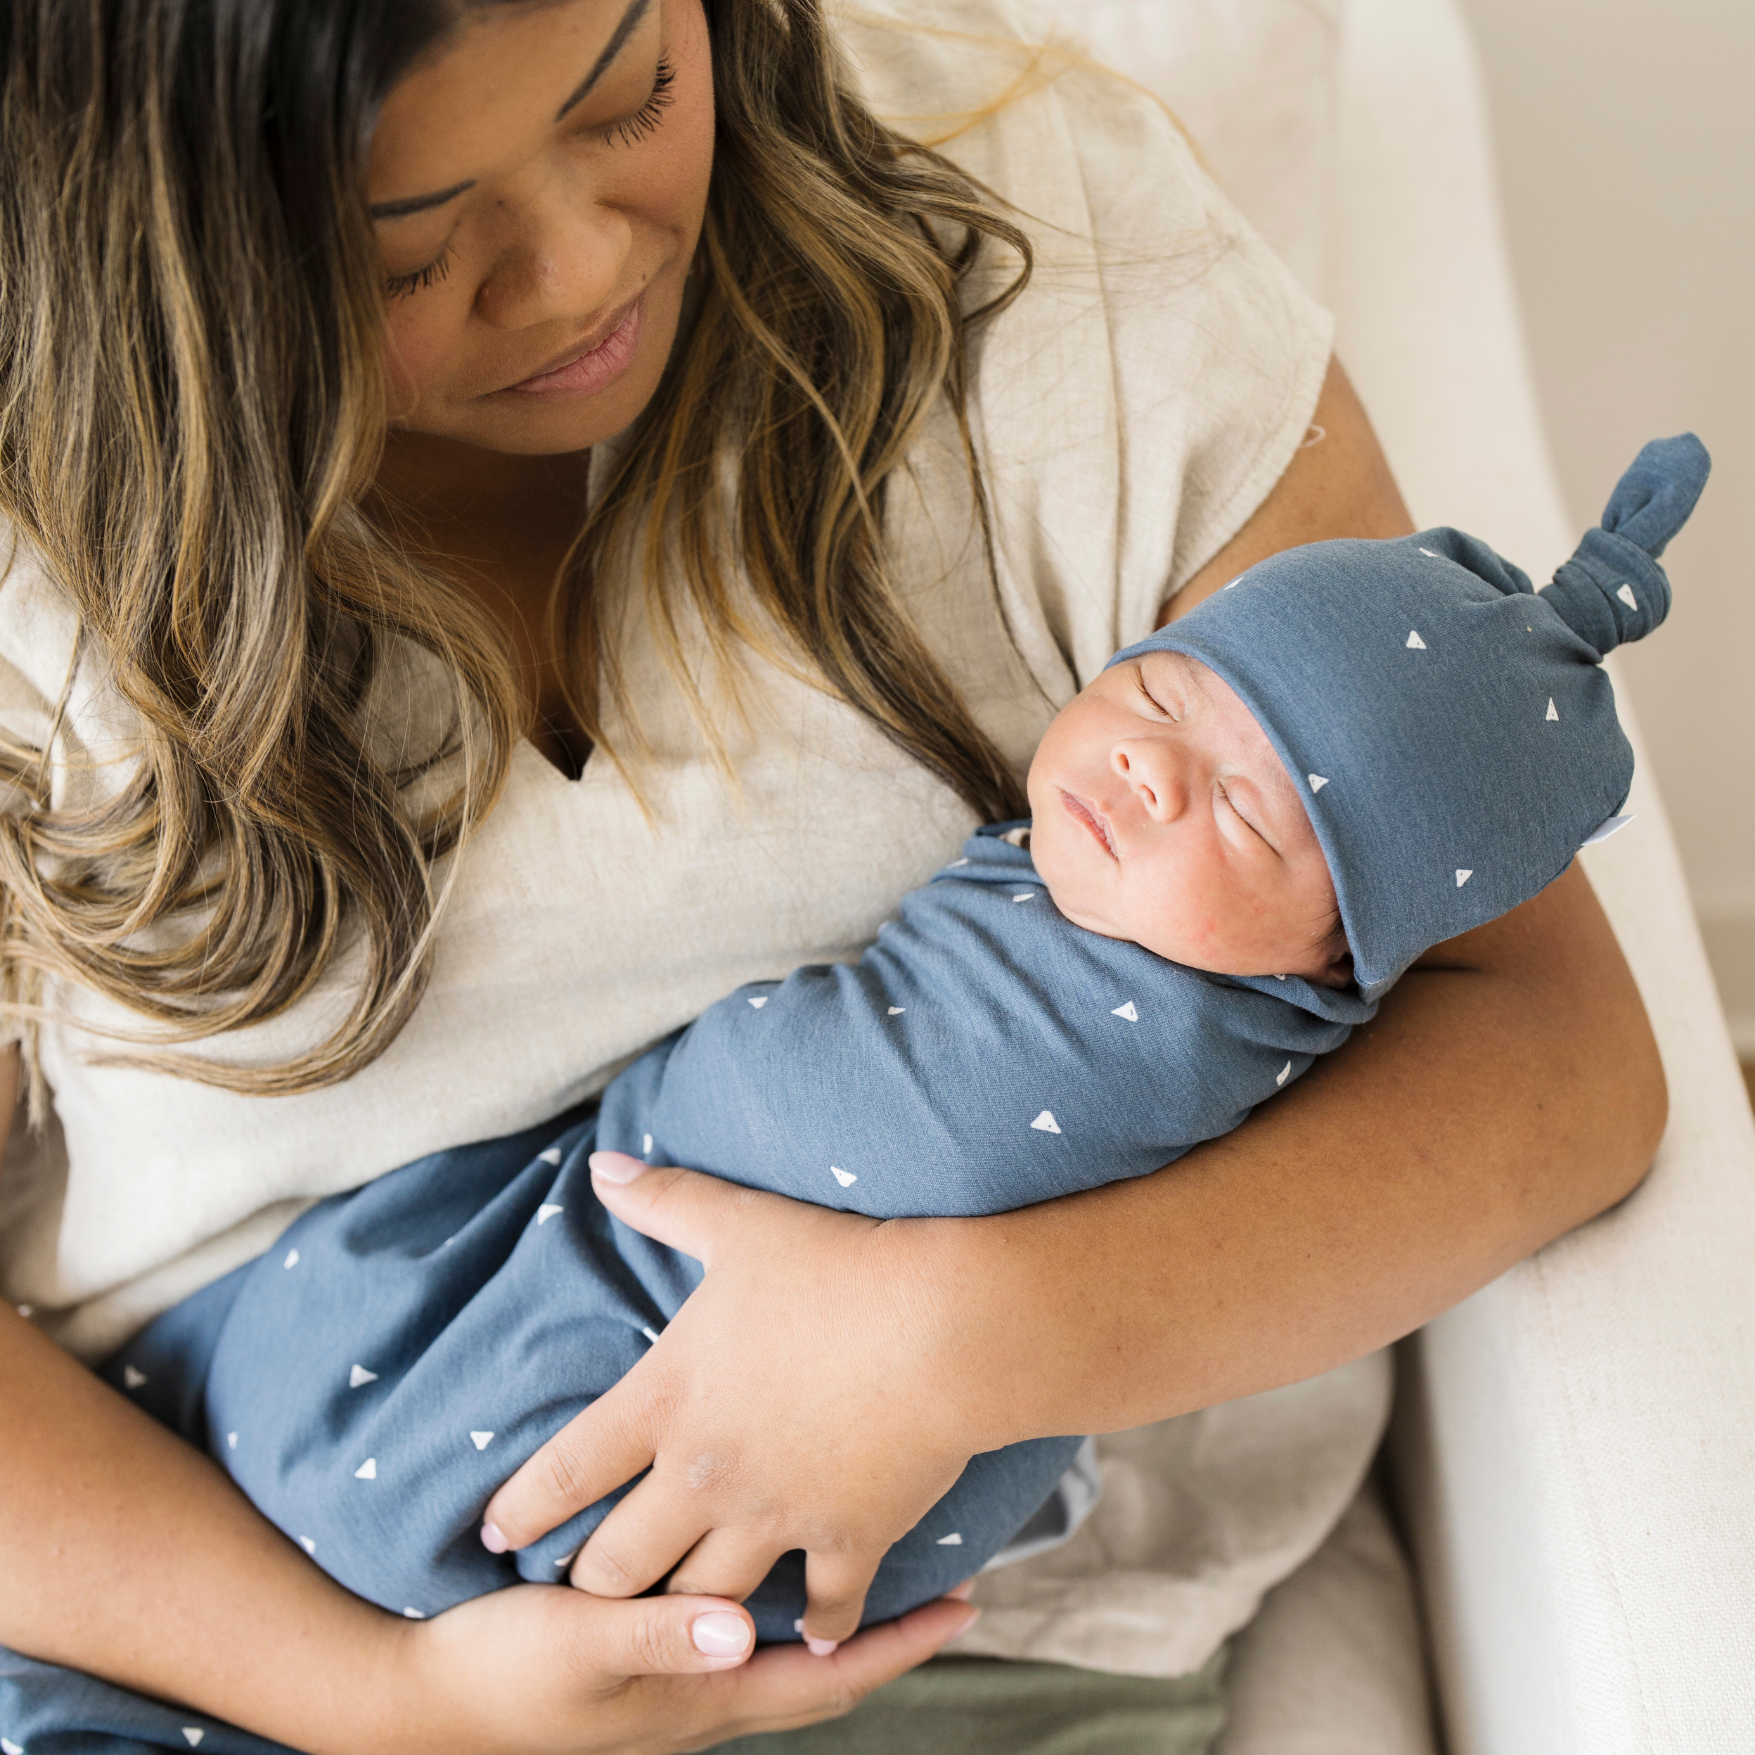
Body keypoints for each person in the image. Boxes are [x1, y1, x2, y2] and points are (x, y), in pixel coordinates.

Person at [0, 1, 1667, 1752]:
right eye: (409, 246)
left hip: (981, 1647)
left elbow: (1555, 1051)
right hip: (219, 1641)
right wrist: (381, 1695)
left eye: (631, 92)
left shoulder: (1047, 246)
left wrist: (966, 1342)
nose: (571, 273)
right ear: (142, 252)